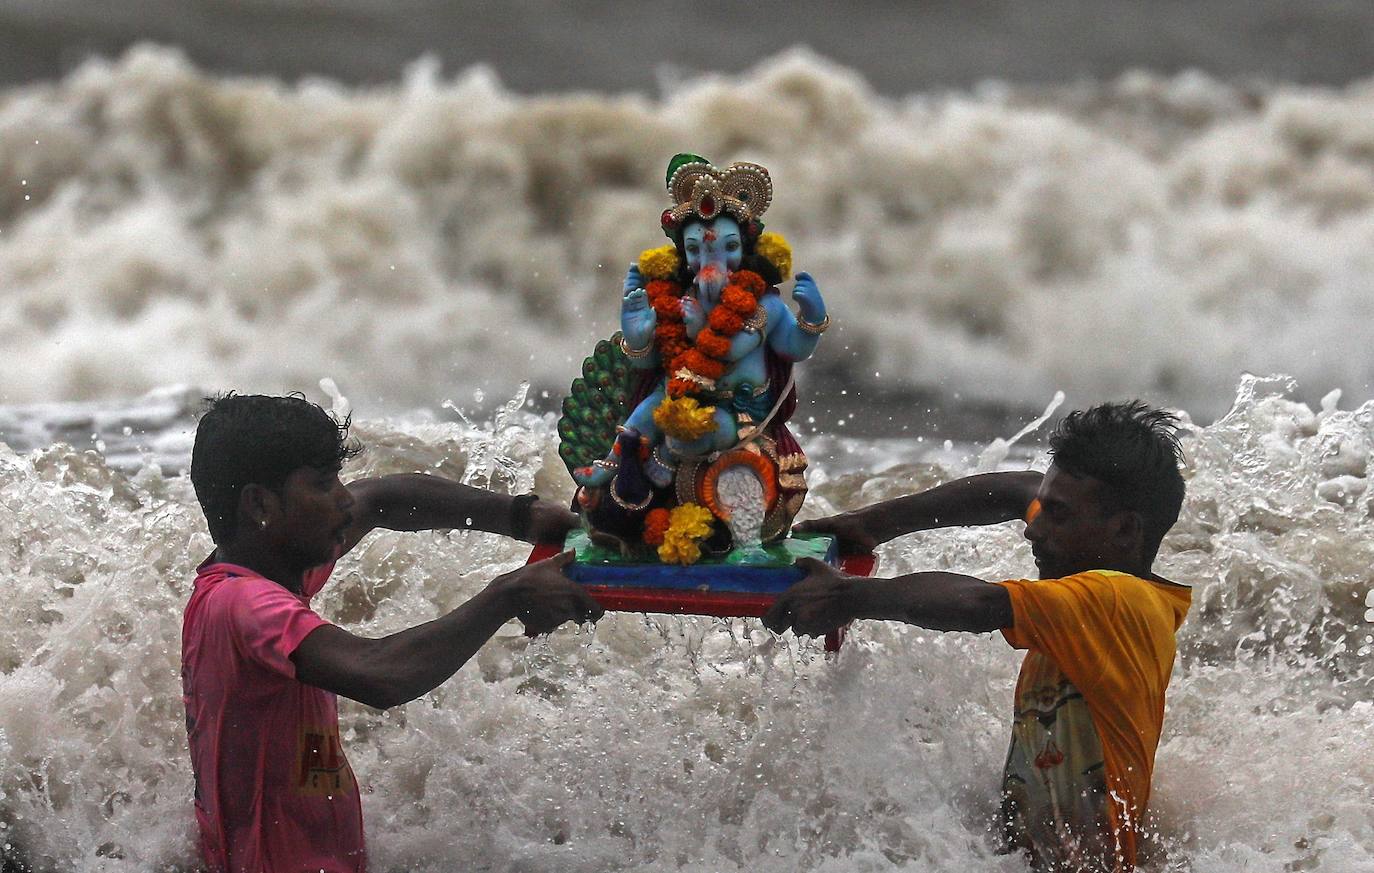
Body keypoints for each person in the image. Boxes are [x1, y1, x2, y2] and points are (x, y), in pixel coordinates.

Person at [181, 393, 603, 873]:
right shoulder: (245, 606)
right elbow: (381, 674)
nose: (344, 497)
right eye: (323, 484)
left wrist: (518, 516)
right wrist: (505, 596)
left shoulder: (268, 568)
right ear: (261, 504)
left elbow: (383, 499)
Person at [763, 401, 1191, 872]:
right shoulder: (1093, 566)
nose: (1034, 529)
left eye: (1058, 515)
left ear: (1126, 529)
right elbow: (1015, 489)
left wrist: (849, 598)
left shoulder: (1122, 602)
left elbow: (976, 604)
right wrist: (875, 525)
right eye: (1044, 508)